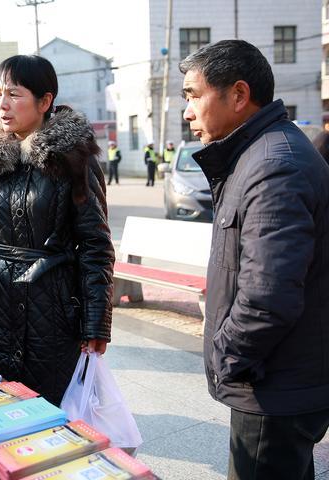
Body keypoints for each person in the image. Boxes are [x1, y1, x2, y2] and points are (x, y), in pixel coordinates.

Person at [181, 39, 329, 480]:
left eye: (193, 96)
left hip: (273, 386)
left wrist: (225, 359)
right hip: (276, 379)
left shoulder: (273, 164)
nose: (188, 112)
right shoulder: (258, 153)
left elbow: (268, 296)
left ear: (239, 95)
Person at [0, 55, 115, 406]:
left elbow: (95, 245)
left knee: (51, 415)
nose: (2, 104)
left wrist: (96, 322)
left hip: (55, 311)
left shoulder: (74, 159)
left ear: (45, 101)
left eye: (14, 94)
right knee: (0, 410)